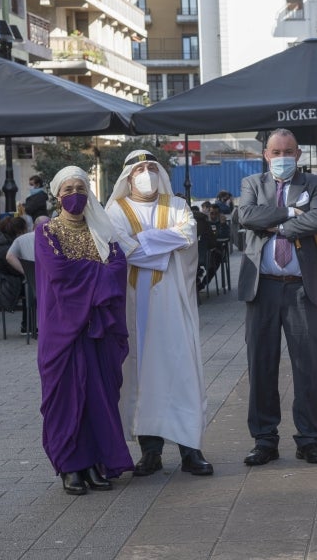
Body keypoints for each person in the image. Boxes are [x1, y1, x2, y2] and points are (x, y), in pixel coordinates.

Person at [106, 150, 214, 478]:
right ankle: (149, 452)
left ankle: (190, 451)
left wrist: (145, 243)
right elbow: (123, 248)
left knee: (179, 371)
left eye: (152, 167)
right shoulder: (116, 209)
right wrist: (163, 248)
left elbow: (187, 236)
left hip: (173, 304)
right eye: (139, 168)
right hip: (135, 305)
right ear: (128, 175)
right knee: (140, 375)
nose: (146, 173)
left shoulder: (177, 206)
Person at [35, 166, 133, 495]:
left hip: (97, 330)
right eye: (68, 188)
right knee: (64, 397)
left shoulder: (100, 229)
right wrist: (97, 272)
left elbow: (119, 266)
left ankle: (95, 462)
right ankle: (70, 465)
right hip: (63, 328)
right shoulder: (46, 231)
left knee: (98, 397)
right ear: (57, 194)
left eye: (80, 187)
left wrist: (90, 272)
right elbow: (59, 273)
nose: (74, 194)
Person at [237, 128, 317, 466]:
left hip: (302, 287)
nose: (282, 158)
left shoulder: (315, 184)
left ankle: (309, 439)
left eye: (288, 152)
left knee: (308, 366)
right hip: (262, 287)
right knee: (261, 364)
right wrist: (292, 215)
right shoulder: (252, 184)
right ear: (265, 154)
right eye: (276, 152)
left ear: (299, 154)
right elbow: (245, 216)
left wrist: (275, 226)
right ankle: (264, 439)